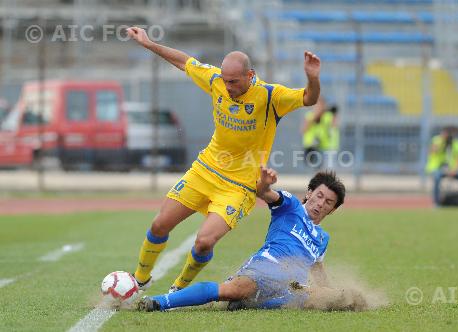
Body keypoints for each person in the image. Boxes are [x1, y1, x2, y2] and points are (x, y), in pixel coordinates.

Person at [126, 27, 321, 292]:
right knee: (160, 224)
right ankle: (139, 280)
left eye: (234, 82)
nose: (227, 87)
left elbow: (309, 98)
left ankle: (178, 289)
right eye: (225, 80)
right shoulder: (217, 79)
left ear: (250, 76)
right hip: (205, 169)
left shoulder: (270, 96)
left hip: (239, 186)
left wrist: (312, 79)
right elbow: (184, 61)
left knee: (204, 242)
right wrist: (149, 44)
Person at [137, 166, 365, 312]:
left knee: (324, 298)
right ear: (309, 193)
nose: (320, 204)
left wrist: (332, 294)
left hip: (292, 286)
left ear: (333, 210)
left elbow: (317, 269)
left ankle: (252, 303)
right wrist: (264, 184)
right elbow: (264, 193)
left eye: (328, 202)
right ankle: (160, 301)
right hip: (266, 269)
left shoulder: (322, 238)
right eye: (319, 196)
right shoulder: (291, 206)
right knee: (232, 290)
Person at [426, 126, 458, 206]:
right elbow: (432, 152)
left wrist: (455, 170)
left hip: (451, 169)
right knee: (437, 178)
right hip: (437, 167)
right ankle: (436, 203)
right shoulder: (437, 140)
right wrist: (442, 142)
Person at [301, 96, 339, 169]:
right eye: (317, 105)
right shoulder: (309, 116)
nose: (319, 107)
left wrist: (334, 114)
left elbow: (335, 126)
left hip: (326, 147)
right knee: (315, 170)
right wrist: (314, 117)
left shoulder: (328, 115)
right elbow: (303, 130)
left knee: (328, 170)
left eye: (321, 105)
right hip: (313, 147)